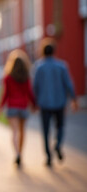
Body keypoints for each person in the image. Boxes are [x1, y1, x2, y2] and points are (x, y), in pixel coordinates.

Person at [33, 38, 78, 167]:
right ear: (54, 51)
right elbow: (69, 83)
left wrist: (34, 102)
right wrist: (74, 99)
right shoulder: (62, 66)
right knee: (60, 127)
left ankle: (48, 156)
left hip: (44, 103)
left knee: (46, 131)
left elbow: (35, 86)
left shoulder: (38, 67)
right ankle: (58, 145)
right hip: (59, 102)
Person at [0, 49, 36, 168]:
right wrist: (34, 104)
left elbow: (5, 94)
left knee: (14, 132)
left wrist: (0, 107)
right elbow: (29, 92)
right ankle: (21, 153)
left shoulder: (8, 78)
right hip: (23, 107)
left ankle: (17, 153)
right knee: (22, 131)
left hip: (12, 107)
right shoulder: (26, 77)